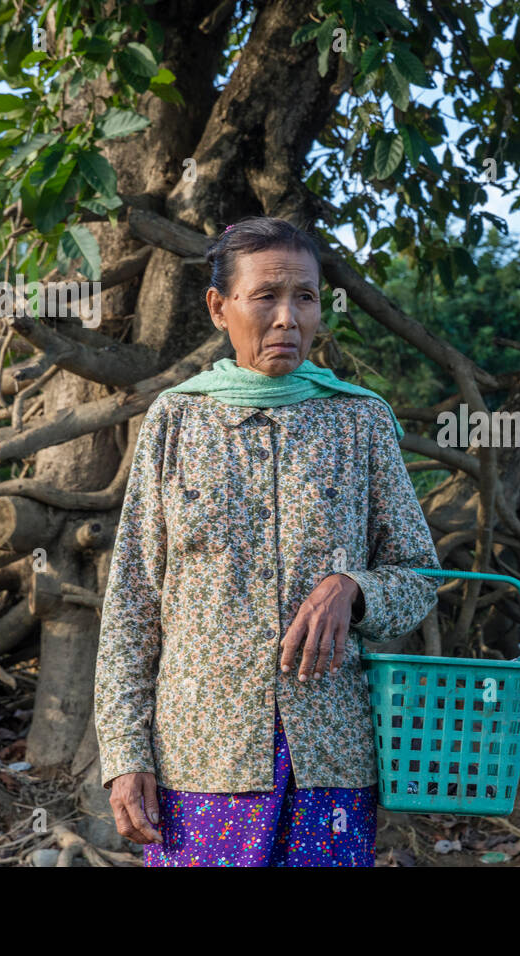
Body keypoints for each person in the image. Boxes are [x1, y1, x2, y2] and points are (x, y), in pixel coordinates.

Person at [93, 216, 439, 866]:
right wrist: (125, 752)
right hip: (199, 757)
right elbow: (133, 602)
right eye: (267, 296)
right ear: (219, 308)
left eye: (304, 297)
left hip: (329, 754)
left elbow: (418, 576)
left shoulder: (358, 419)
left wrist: (354, 589)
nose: (287, 317)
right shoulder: (178, 418)